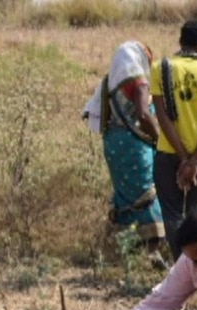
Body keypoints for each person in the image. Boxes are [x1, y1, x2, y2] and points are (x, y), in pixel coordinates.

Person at [82, 40, 167, 269]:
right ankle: (152, 252)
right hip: (134, 144)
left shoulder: (110, 83)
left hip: (113, 144)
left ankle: (126, 251)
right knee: (147, 192)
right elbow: (143, 114)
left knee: (126, 195)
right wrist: (160, 139)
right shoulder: (139, 82)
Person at [150, 19, 197, 260]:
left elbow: (162, 116)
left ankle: (180, 264)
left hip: (169, 154)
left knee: (171, 214)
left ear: (181, 40)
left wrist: (183, 158)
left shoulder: (160, 68)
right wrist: (193, 161)